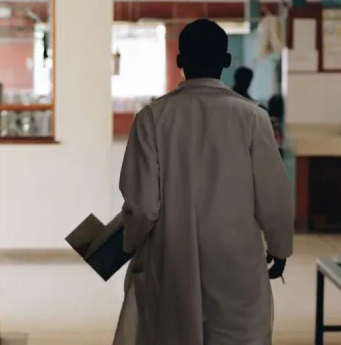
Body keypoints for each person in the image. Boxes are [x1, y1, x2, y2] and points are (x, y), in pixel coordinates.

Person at [113, 19, 294, 345]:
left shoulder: (151, 118)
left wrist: (127, 246)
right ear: (226, 61)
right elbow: (274, 197)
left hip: (170, 258)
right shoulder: (252, 117)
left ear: (180, 61)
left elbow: (142, 207)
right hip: (235, 260)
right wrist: (280, 247)